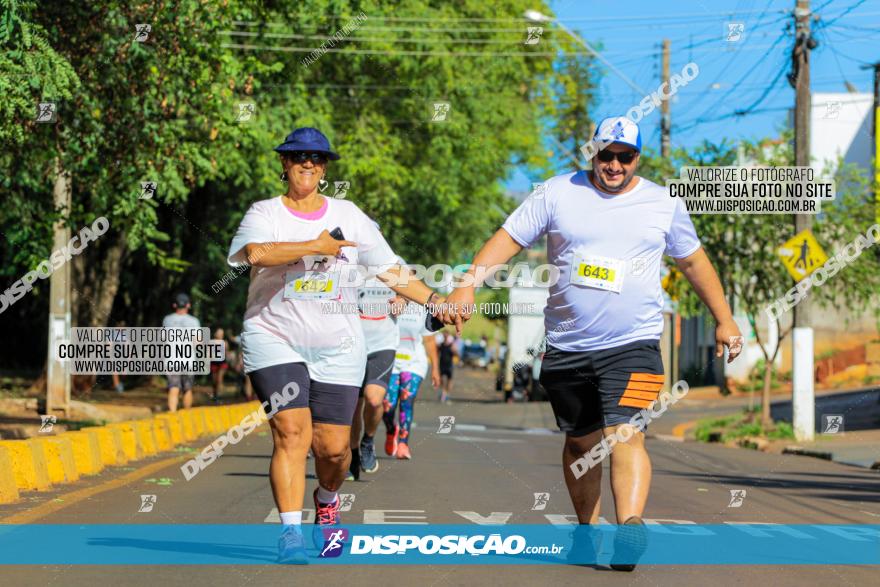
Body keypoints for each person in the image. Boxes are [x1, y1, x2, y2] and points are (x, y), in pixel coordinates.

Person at [443, 116, 743, 571]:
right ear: (593, 153)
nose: (615, 164)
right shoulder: (557, 192)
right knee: (581, 445)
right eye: (607, 154)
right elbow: (509, 239)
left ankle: (631, 526)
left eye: (626, 156)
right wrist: (468, 284)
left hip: (635, 344)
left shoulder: (663, 203)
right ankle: (587, 530)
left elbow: (694, 262)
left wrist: (724, 319)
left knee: (626, 433)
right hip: (567, 348)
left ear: (638, 159)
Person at [227, 127, 446, 564]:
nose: (307, 164)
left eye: (316, 158)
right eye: (298, 157)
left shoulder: (352, 215)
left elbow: (391, 271)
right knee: (291, 434)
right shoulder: (265, 212)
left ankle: (326, 501)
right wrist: (317, 245)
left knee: (333, 449)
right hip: (275, 338)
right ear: (284, 164)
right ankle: (290, 534)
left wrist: (439, 301)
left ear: (324, 168)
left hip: (339, 346)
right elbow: (253, 254)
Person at [346, 278, 401, 481]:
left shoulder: (393, 262)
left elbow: (410, 286)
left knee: (374, 399)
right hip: (350, 344)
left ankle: (367, 440)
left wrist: (403, 299)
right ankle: (352, 457)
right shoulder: (344, 262)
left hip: (382, 344)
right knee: (352, 406)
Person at [383, 298, 441, 459]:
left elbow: (429, 340)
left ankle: (403, 443)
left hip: (414, 362)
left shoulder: (422, 306)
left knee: (406, 400)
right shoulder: (387, 301)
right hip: (390, 359)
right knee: (387, 404)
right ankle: (391, 430)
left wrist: (435, 368)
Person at [162, 293, 200, 412]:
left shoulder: (167, 320)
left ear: (174, 305)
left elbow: (164, 340)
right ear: (188, 305)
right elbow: (197, 342)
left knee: (173, 387)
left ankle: (172, 414)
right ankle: (186, 415)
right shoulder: (194, 321)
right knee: (187, 389)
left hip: (171, 360)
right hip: (188, 360)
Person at [210, 328, 229, 403]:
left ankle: (219, 396)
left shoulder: (225, 342)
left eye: (221, 333)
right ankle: (215, 394)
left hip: (222, 363)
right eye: (219, 332)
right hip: (213, 363)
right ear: (215, 334)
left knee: (219, 379)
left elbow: (226, 353)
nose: (220, 334)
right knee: (214, 381)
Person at [437, 331, 457, 403]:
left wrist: (454, 350)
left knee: (449, 380)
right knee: (441, 379)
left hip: (449, 365)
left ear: (448, 335)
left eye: (446, 334)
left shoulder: (451, 345)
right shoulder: (441, 345)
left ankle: (447, 393)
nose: (445, 336)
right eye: (444, 334)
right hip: (442, 364)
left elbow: (456, 353)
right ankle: (443, 392)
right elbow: (436, 353)